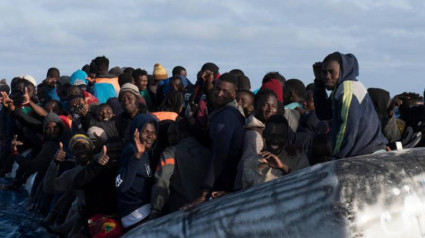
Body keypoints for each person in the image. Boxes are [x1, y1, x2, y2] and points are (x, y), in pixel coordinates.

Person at [184, 73, 245, 208]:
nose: (219, 93)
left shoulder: (226, 117)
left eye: (225, 91)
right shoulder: (225, 112)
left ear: (234, 94)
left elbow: (220, 155)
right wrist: (192, 120)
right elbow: (209, 141)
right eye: (217, 89)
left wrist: (205, 193)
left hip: (223, 185)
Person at [313, 52, 388, 159]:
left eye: (332, 72)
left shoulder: (348, 91)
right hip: (364, 152)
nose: (327, 76)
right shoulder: (341, 89)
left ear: (343, 71)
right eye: (324, 72)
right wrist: (319, 82)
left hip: (366, 154)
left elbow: (347, 129)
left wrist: (337, 158)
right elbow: (323, 113)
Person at [151, 119, 211, 215]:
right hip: (208, 208)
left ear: (180, 133)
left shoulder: (171, 153)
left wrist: (156, 209)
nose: (172, 138)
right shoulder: (208, 151)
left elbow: (162, 181)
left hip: (181, 212)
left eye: (174, 134)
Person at [115, 114, 159, 229]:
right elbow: (122, 186)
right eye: (145, 132)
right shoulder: (132, 151)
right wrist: (136, 157)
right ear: (136, 132)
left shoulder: (145, 152)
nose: (150, 136)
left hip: (142, 211)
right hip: (136, 215)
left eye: (153, 132)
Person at [241, 115, 309, 188]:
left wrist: (284, 167)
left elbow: (306, 185)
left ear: (286, 137)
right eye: (271, 135)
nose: (275, 140)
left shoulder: (298, 159)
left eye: (280, 136)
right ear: (264, 134)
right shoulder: (250, 163)